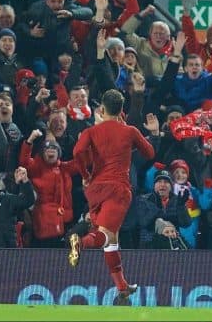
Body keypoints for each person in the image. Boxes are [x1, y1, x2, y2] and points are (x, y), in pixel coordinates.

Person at [70, 89, 155, 304]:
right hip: (117, 189)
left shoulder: (92, 132)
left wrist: (85, 174)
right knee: (105, 235)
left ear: (101, 109)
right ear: (121, 110)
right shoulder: (129, 131)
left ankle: (122, 287)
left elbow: (77, 152)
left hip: (95, 189)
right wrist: (141, 136)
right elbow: (150, 154)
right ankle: (79, 242)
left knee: (111, 239)